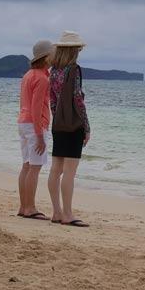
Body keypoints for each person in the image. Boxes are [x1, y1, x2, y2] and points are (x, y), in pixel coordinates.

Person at [48, 31, 90, 227]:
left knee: (56, 169)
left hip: (58, 124)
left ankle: (56, 212)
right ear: (74, 50)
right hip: (73, 125)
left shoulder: (54, 70)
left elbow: (53, 100)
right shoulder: (74, 69)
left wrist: (56, 117)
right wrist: (86, 126)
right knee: (70, 172)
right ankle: (68, 213)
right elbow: (78, 100)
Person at [17, 39, 55, 220]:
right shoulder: (42, 78)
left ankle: (23, 206)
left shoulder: (28, 75)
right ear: (47, 57)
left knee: (26, 165)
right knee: (35, 166)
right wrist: (40, 135)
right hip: (34, 124)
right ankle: (30, 207)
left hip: (23, 123)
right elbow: (37, 107)